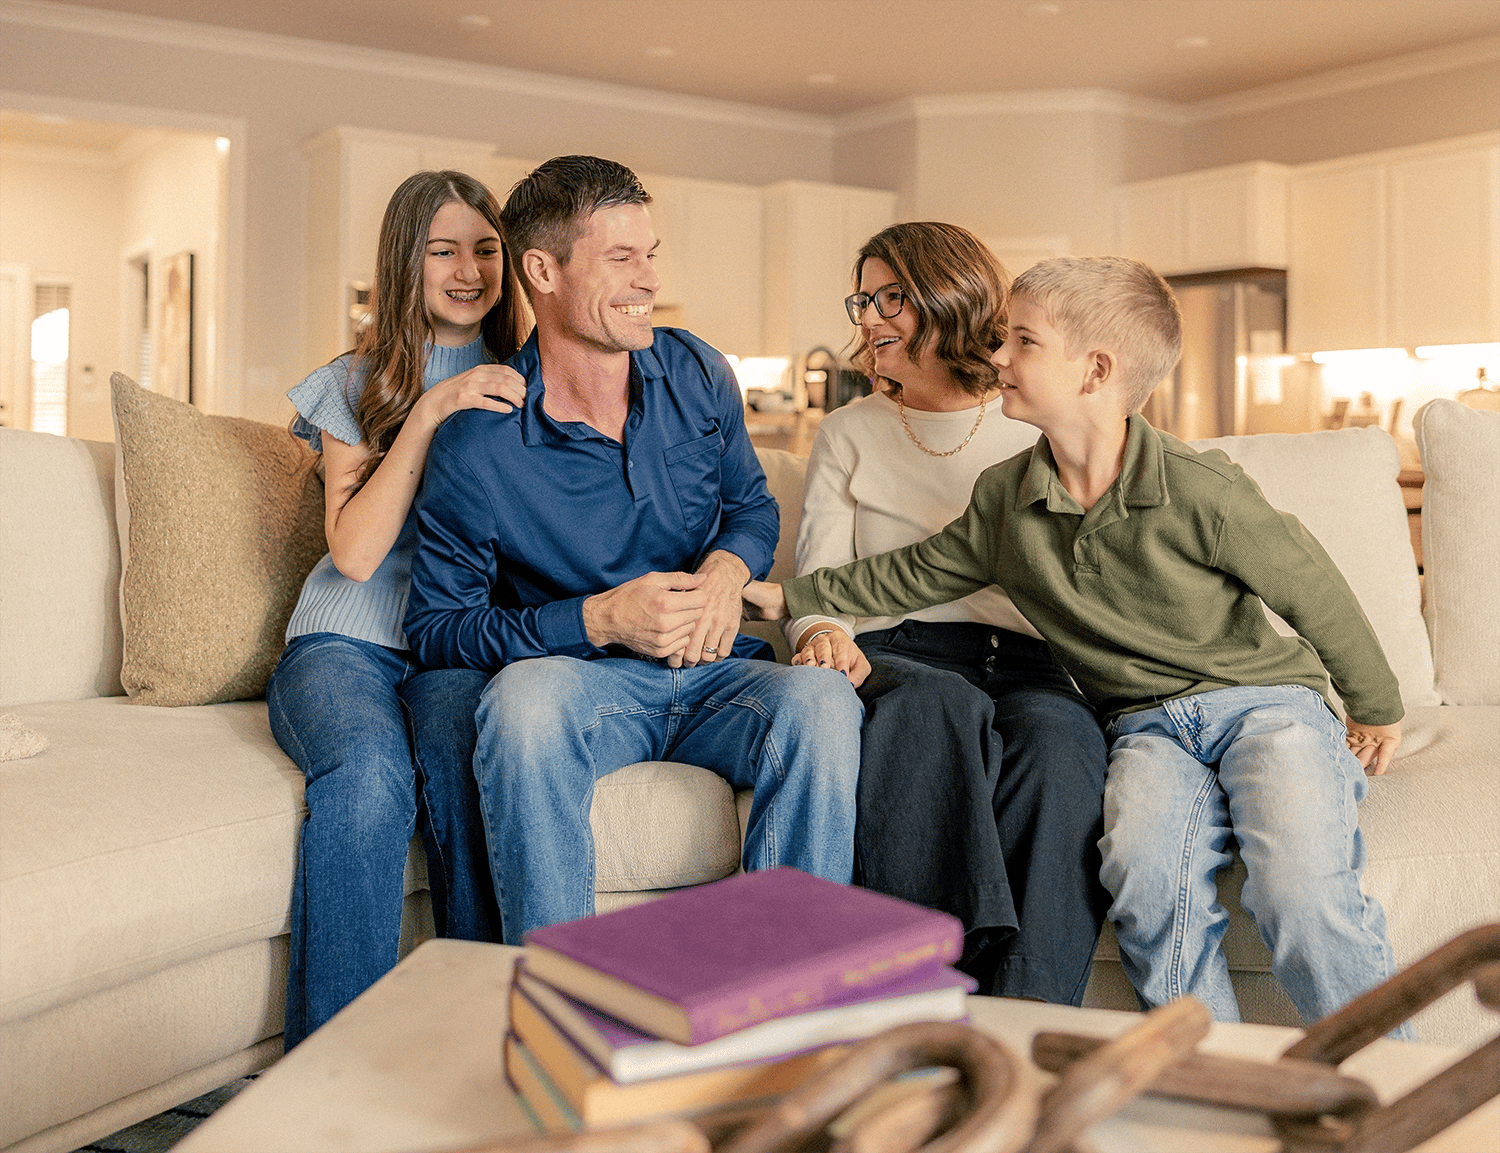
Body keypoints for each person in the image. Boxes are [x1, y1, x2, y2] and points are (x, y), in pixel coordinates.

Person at [747, 255, 1407, 1028]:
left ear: (1095, 370)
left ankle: (1399, 1076)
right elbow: (910, 573)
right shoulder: (1007, 498)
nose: (998, 357)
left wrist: (1377, 706)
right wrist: (791, 596)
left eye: (1022, 342)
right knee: (1143, 884)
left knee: (1298, 888)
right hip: (1147, 726)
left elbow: (1313, 589)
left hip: (1267, 705)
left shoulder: (1202, 488)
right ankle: (1212, 1075)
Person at [402, 155, 862, 944]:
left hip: (714, 675)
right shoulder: (478, 440)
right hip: (585, 688)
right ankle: (558, 1000)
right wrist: (599, 618)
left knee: (822, 700)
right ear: (542, 269)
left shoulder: (696, 370)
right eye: (620, 259)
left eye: (649, 254)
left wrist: (725, 571)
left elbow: (751, 506)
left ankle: (780, 1003)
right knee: (520, 704)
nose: (646, 278)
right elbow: (438, 626)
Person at [790, 222, 1109, 1003]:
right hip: (905, 654)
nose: (869, 318)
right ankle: (919, 990)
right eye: (863, 298)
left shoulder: (1033, 418)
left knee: (1061, 740)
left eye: (891, 297)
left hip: (1032, 658)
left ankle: (1026, 1020)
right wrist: (822, 629)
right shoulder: (849, 432)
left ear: (950, 296)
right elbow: (818, 583)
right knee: (940, 703)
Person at [267, 170, 529, 1047]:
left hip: (453, 648)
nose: (468, 269)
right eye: (443, 250)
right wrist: (427, 414)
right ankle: (335, 1068)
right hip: (343, 641)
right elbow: (356, 553)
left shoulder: (534, 379)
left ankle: (475, 1042)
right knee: (372, 780)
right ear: (404, 262)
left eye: (486, 249)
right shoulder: (357, 380)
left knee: (473, 775)